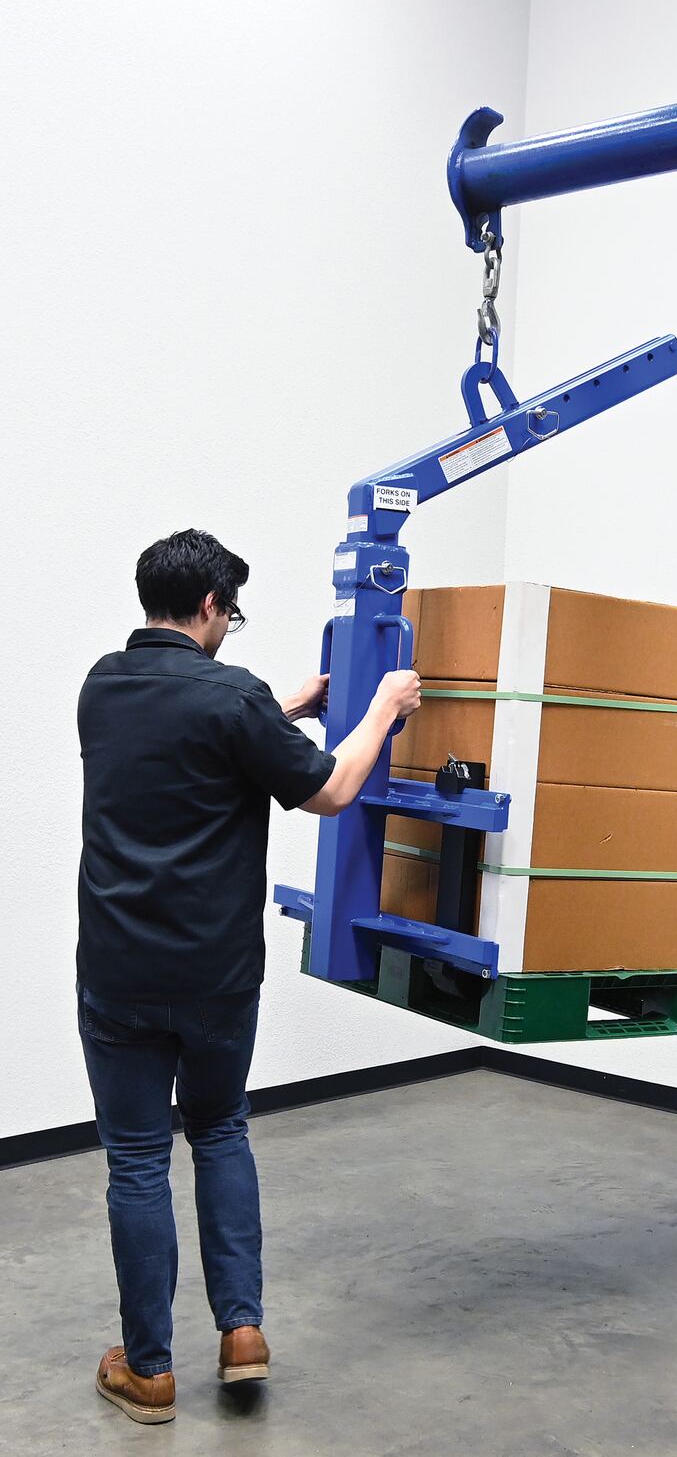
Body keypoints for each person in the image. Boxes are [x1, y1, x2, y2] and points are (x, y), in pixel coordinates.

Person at [76, 528, 421, 1424]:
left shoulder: (102, 686)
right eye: (230, 612)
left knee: (137, 1161)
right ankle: (242, 1335)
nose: (230, 625)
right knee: (220, 1130)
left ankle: (149, 1372)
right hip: (217, 975)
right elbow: (331, 791)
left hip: (117, 972)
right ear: (208, 606)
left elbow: (194, 736)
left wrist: (287, 705)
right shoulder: (234, 700)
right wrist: (383, 708)